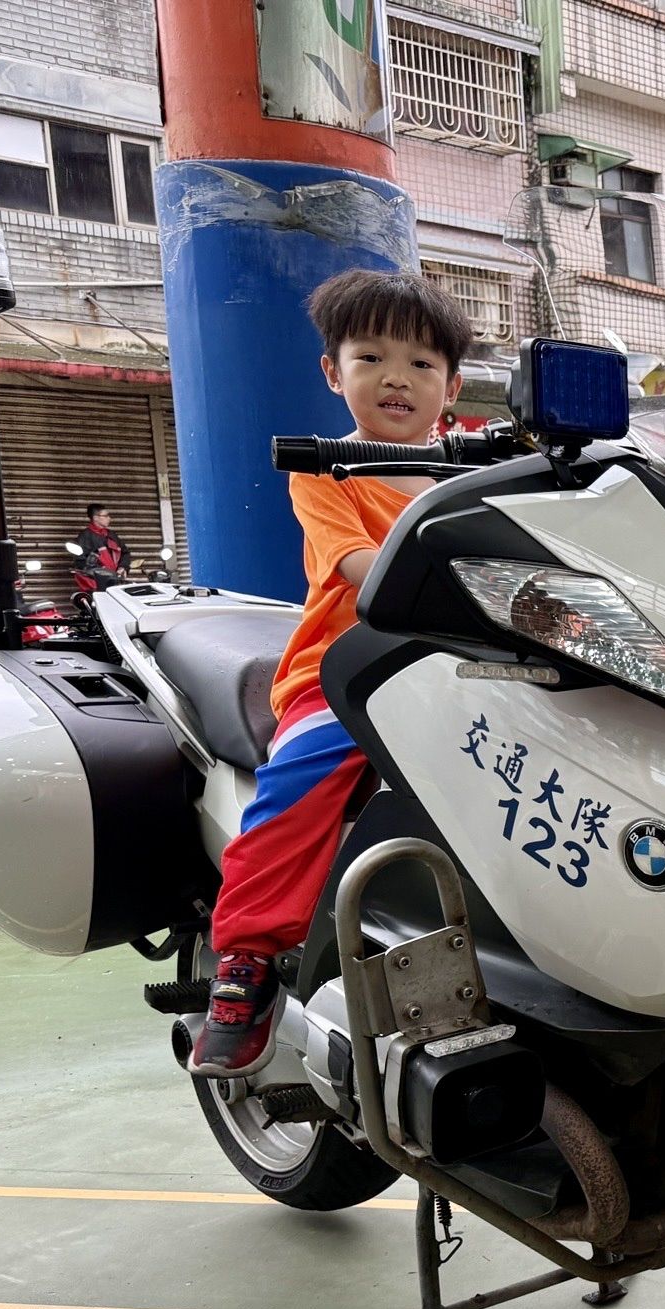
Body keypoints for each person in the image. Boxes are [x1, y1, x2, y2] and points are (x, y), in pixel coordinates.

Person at [190, 269, 473, 1074]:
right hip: (347, 668)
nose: (396, 378)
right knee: (305, 779)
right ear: (332, 371)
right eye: (372, 356)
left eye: (421, 364)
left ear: (451, 385)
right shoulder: (325, 465)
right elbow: (353, 561)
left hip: (462, 666)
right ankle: (242, 967)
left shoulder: (475, 467)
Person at [72, 504, 130, 585]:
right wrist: (98, 572)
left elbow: (125, 553)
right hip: (95, 584)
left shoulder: (112, 535)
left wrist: (122, 567)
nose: (109, 518)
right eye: (106, 516)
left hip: (115, 581)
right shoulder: (84, 537)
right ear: (95, 518)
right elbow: (80, 562)